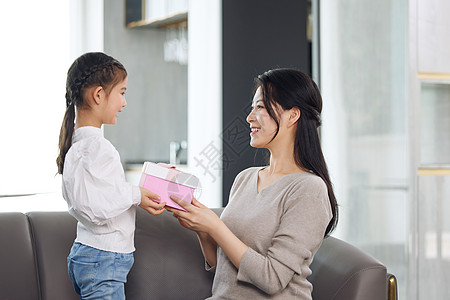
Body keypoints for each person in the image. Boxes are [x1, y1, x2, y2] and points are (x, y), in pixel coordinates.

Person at [167, 68, 338, 299]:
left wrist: (216, 226)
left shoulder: (309, 189)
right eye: (252, 108)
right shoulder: (245, 178)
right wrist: (203, 230)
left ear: (292, 115)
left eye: (260, 107)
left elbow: (272, 278)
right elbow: (223, 266)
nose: (249, 117)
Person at [56, 52, 166, 300]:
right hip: (103, 259)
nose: (124, 102)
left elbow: (93, 198)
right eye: (122, 92)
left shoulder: (78, 146)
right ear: (98, 95)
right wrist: (135, 193)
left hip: (90, 254)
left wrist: (137, 195)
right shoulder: (98, 148)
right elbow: (94, 206)